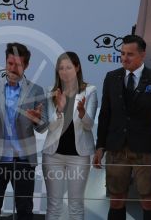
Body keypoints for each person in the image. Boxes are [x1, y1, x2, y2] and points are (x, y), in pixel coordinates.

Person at [92, 34, 151, 220]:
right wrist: (100, 146)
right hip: (116, 149)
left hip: (146, 150)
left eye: (130, 54)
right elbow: (105, 115)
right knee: (116, 200)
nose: (124, 58)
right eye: (122, 53)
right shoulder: (111, 78)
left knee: (148, 199)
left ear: (142, 55)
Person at [0, 42, 48, 220]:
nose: (12, 68)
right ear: (5, 63)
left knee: (25, 210)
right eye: (9, 63)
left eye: (18, 65)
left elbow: (44, 127)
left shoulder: (36, 90)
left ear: (26, 66)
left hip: (24, 161)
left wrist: (37, 119)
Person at [42, 52, 98, 220]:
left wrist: (81, 113)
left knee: (75, 205)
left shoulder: (90, 91)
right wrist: (59, 109)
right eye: (61, 68)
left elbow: (88, 125)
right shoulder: (51, 92)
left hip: (78, 156)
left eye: (69, 67)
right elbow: (50, 126)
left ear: (77, 68)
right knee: (53, 205)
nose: (65, 72)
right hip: (53, 156)